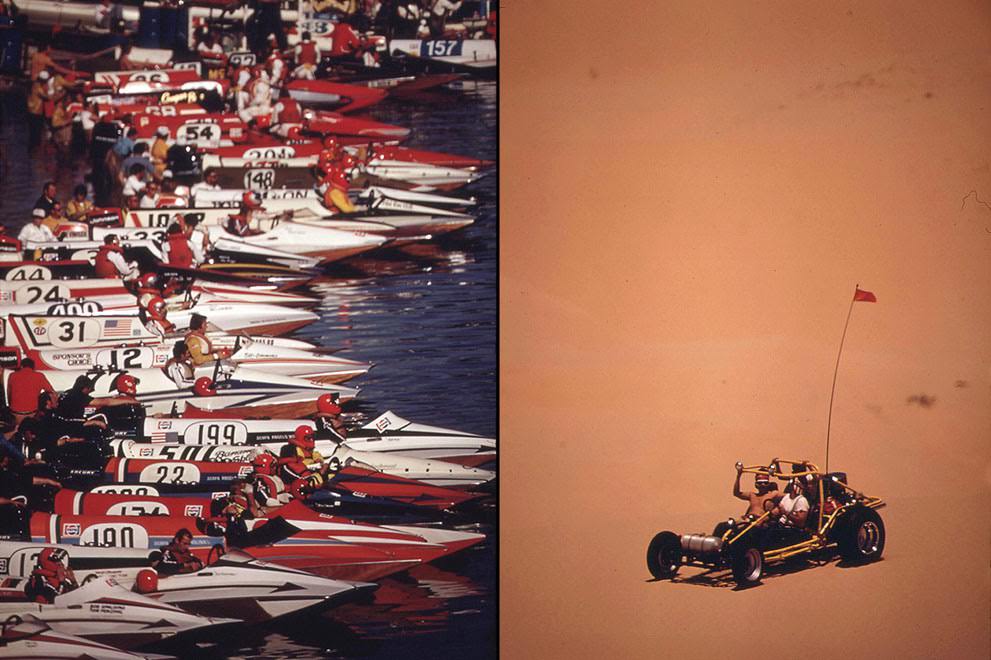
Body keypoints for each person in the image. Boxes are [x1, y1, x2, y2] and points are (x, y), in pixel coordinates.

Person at [7, 359, 54, 427]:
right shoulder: (39, 376)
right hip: (32, 413)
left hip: (15, 414)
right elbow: (51, 391)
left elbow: (9, 395)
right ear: (33, 367)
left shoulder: (12, 375)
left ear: (21, 366)